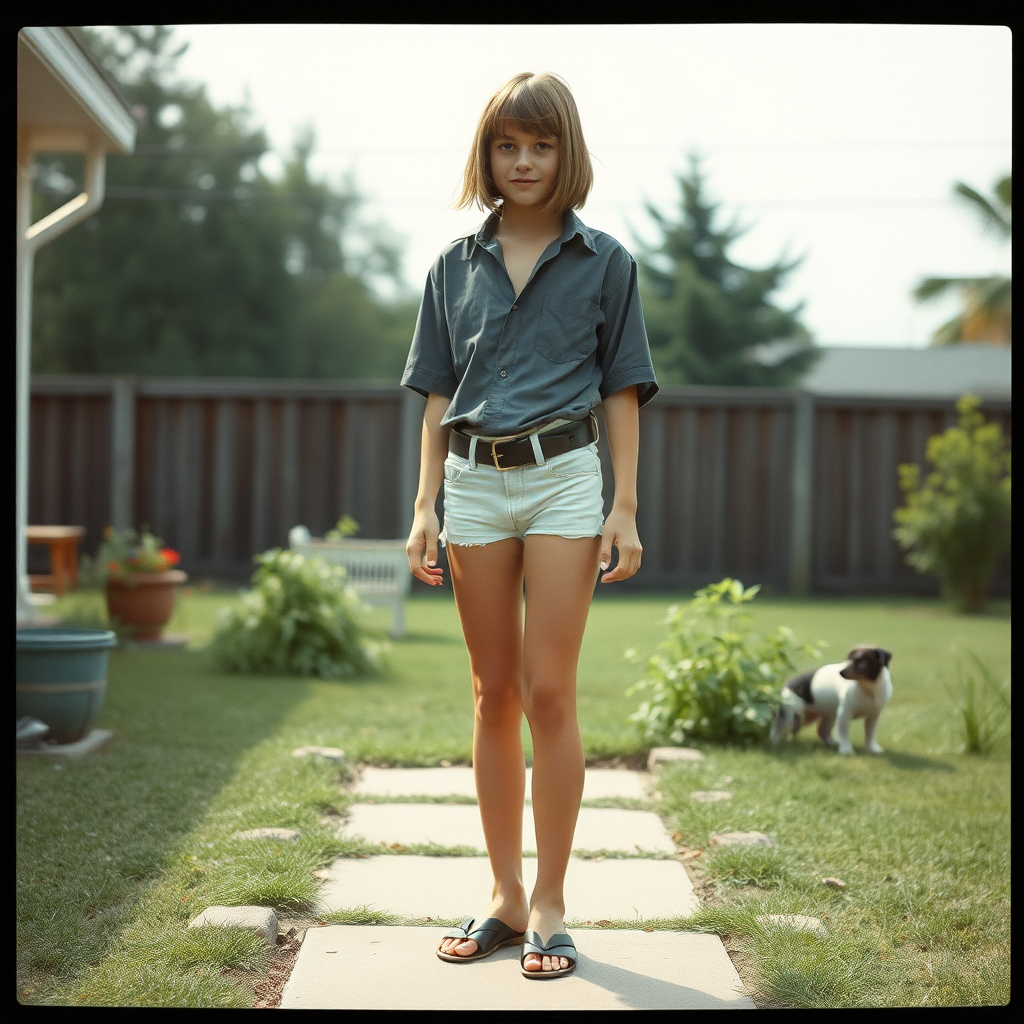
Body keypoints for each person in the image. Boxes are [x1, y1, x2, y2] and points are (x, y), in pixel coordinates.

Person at [402, 71, 658, 979]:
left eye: (541, 145)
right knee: (490, 693)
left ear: (566, 154)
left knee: (551, 692)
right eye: (508, 144)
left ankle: (551, 901)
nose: (523, 161)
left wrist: (622, 506)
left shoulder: (607, 262)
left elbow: (623, 387)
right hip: (472, 487)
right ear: (488, 152)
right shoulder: (450, 266)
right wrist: (426, 503)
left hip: (562, 484)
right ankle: (506, 897)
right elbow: (436, 394)